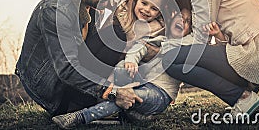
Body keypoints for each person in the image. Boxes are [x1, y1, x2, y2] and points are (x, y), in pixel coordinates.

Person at [15, 0, 142, 117]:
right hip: (50, 85)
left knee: (119, 31)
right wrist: (111, 91)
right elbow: (67, 68)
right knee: (117, 33)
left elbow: (92, 48)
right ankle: (74, 106)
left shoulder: (92, 2)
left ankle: (114, 100)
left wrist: (118, 14)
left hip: (73, 74)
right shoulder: (54, 11)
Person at [52, 7, 194, 129]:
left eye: (187, 21)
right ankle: (132, 113)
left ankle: (81, 116)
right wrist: (131, 61)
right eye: (179, 17)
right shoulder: (161, 40)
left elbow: (198, 39)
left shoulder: (189, 43)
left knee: (132, 97)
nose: (182, 21)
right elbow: (140, 47)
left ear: (191, 29)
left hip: (161, 93)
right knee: (121, 68)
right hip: (142, 83)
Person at [78, 0, 172, 79]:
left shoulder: (155, 29)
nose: (147, 9)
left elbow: (142, 50)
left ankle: (95, 78)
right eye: (144, 3)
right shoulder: (124, 8)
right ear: (136, 1)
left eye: (154, 8)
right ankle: (80, 65)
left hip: (115, 61)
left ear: (159, 13)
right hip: (95, 49)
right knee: (116, 31)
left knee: (119, 37)